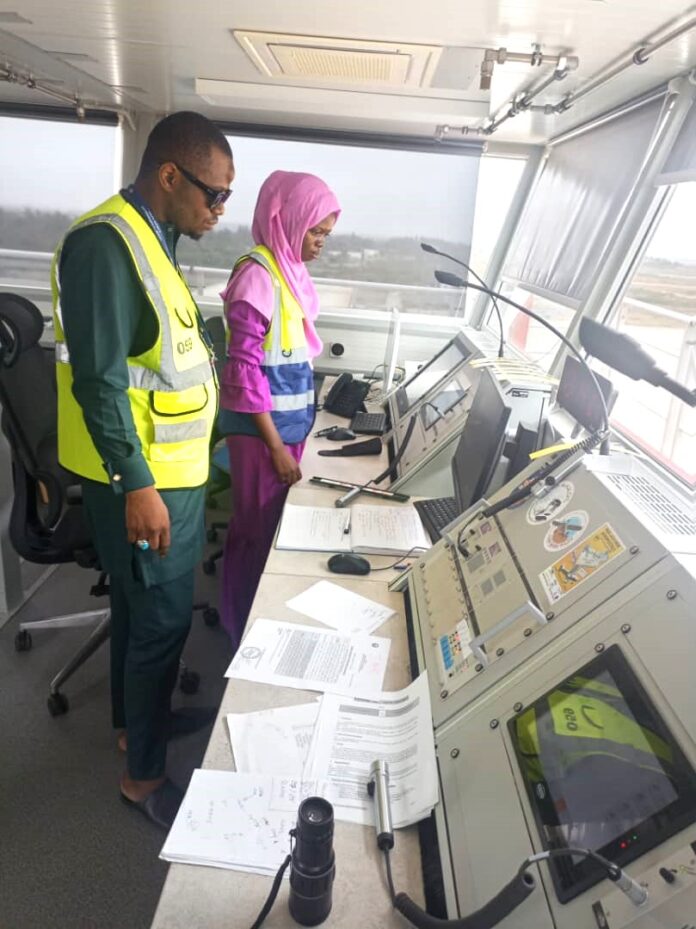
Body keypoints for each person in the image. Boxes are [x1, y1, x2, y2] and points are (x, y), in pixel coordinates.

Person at [52, 111, 234, 829]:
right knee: (160, 621)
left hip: (172, 474)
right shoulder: (106, 245)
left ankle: (134, 724)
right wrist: (137, 485)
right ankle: (143, 776)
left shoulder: (155, 236)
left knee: (136, 607)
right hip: (146, 482)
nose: (220, 209)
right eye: (212, 194)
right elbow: (98, 381)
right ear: (168, 175)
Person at [218, 171, 340, 647]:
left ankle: (253, 621)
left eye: (327, 234)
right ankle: (240, 632)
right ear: (286, 219)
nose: (320, 243)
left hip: (285, 430)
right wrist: (276, 448)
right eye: (315, 231)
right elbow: (244, 374)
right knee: (254, 538)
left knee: (268, 535)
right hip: (259, 436)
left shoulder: (289, 273)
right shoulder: (258, 276)